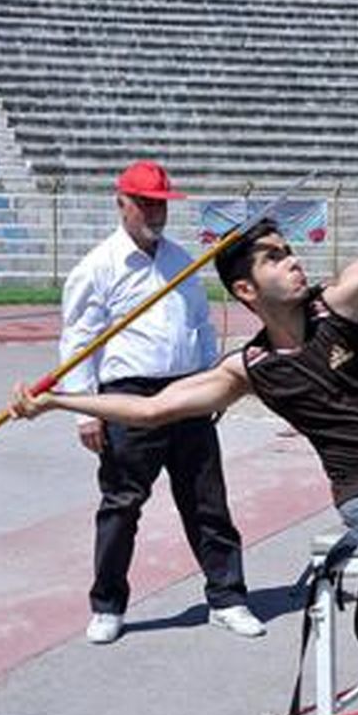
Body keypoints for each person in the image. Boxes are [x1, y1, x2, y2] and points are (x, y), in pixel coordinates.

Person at [12, 78, 358, 657]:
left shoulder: (341, 305)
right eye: (275, 258)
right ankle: (111, 604)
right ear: (245, 288)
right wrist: (61, 400)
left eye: (290, 251)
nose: (294, 261)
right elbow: (152, 408)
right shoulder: (251, 368)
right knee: (126, 503)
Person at [57, 159, 264, 644]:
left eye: (161, 205)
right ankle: (108, 604)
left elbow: (200, 325)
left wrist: (216, 380)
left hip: (187, 390)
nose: (154, 213)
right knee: (122, 503)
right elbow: (78, 339)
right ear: (121, 203)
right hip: (129, 396)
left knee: (207, 501)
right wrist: (85, 409)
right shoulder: (97, 268)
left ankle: (228, 596)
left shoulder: (180, 260)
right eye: (145, 203)